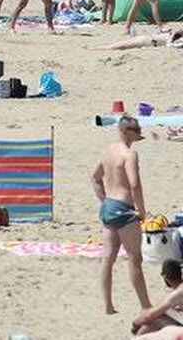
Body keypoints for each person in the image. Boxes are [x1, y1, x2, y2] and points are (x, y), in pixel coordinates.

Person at [92, 114, 152, 315]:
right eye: (136, 131)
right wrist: (142, 211)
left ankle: (107, 306)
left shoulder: (107, 151)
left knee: (108, 258)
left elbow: (94, 178)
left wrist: (104, 201)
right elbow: (135, 184)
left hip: (109, 206)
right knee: (135, 258)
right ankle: (146, 306)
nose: (139, 135)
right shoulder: (129, 154)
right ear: (127, 131)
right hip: (124, 209)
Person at [133, 260, 183, 336]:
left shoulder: (178, 292)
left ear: (164, 276)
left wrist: (135, 323)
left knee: (156, 319)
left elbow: (149, 315)